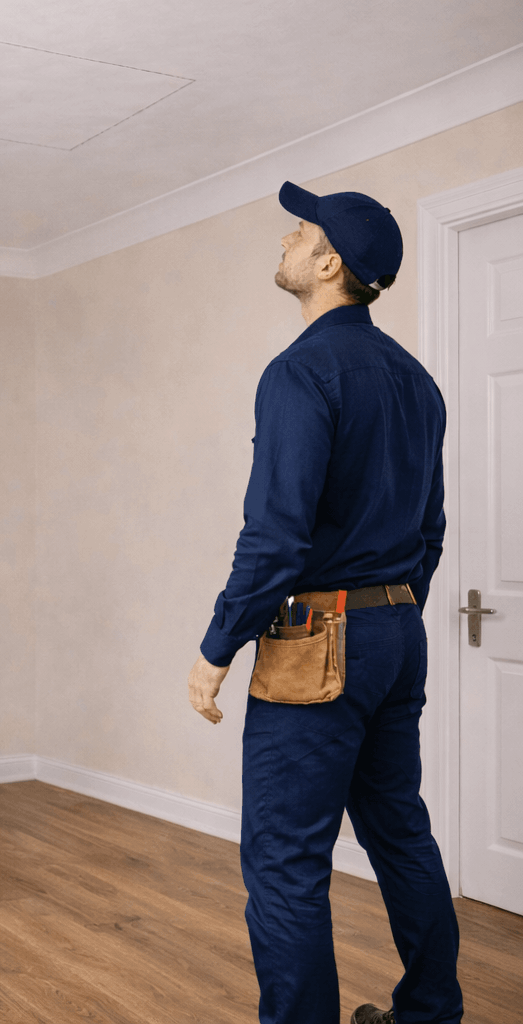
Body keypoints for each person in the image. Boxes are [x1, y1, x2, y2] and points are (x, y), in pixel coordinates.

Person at [186, 182, 463, 1024]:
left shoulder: (301, 370)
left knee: (284, 859)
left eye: (299, 230)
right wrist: (394, 614)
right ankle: (430, 1012)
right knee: (400, 833)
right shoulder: (418, 382)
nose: (286, 238)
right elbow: (431, 530)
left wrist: (215, 648)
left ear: (329, 261)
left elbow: (276, 537)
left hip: (318, 635)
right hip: (397, 629)